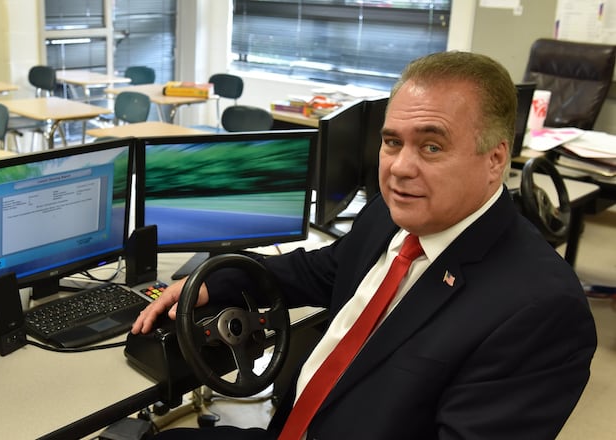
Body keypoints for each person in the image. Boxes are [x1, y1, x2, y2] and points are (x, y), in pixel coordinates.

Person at [131, 51, 597, 439]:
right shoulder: (390, 216)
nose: (399, 168)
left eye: (431, 147)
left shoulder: (542, 310)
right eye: (392, 142)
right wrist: (214, 282)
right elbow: (318, 271)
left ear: (495, 160)